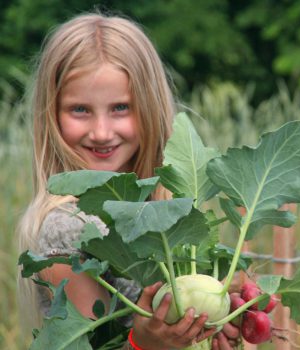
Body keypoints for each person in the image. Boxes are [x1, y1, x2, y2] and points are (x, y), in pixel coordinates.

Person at [17, 12, 239, 349]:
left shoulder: (163, 211)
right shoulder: (69, 229)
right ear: (52, 115)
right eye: (80, 110)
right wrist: (144, 344)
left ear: (150, 108)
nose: (102, 132)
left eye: (121, 107)